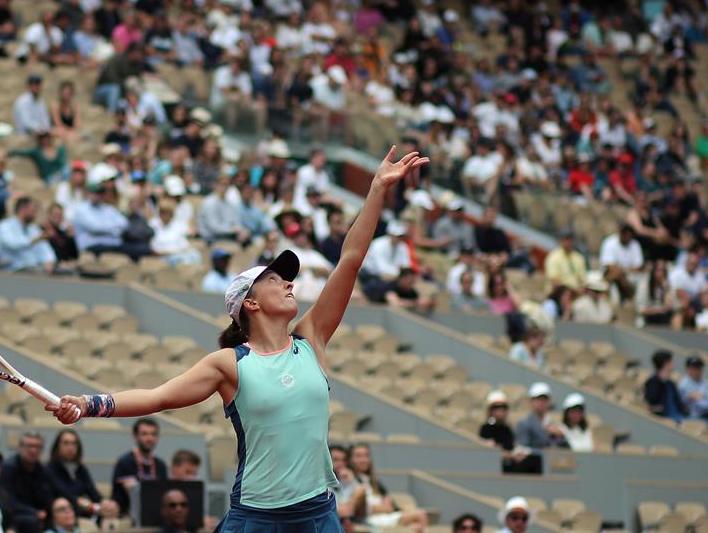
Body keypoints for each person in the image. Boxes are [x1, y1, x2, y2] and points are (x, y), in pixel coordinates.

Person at [49, 146, 429, 533]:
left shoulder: (311, 339)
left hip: (317, 515)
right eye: (274, 279)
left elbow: (350, 258)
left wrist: (378, 188)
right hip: (256, 518)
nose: (288, 283)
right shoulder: (230, 363)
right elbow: (157, 397)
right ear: (249, 303)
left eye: (286, 278)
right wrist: (88, 403)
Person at [349, 444, 428, 532]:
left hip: (383, 516)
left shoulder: (374, 482)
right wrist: (384, 507)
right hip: (370, 520)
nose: (364, 460)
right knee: (420, 515)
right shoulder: (350, 479)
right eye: (359, 456)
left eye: (366, 455)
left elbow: (392, 506)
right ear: (350, 459)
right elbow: (363, 509)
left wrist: (381, 508)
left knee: (417, 526)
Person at [45, 431, 117, 520]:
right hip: (60, 514)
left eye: (74, 444)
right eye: (66, 443)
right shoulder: (50, 469)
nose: (70, 447)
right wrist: (90, 506)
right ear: (57, 447)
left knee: (110, 512)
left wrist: (105, 503)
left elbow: (93, 493)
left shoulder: (80, 469)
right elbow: (66, 495)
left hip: (83, 512)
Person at [110, 419, 167, 516]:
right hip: (126, 516)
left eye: (153, 434)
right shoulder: (125, 462)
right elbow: (133, 495)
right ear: (135, 436)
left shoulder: (161, 465)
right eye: (145, 434)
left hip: (155, 516)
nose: (150, 438)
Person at [0, 432, 53, 533]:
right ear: (20, 447)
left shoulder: (42, 470)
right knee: (30, 522)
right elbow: (7, 501)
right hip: (12, 515)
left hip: (36, 516)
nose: (33, 450)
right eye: (29, 446)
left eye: (37, 447)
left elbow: (46, 498)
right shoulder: (8, 468)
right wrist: (35, 512)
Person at [479, 391, 539, 474]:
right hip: (498, 467)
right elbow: (491, 452)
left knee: (535, 460)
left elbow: (513, 446)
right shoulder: (486, 428)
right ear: (490, 410)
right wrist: (512, 456)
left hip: (511, 464)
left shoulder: (507, 429)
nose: (501, 411)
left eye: (504, 408)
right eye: (497, 408)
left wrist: (520, 453)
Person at [0, 197, 57, 273]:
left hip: (34, 268)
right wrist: (34, 240)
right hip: (13, 268)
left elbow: (45, 249)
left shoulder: (33, 229)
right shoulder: (4, 226)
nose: (35, 214)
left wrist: (49, 261)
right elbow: (12, 244)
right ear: (23, 209)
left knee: (64, 272)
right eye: (33, 211)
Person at [515, 382, 569, 451]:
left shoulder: (554, 425)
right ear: (531, 401)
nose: (542, 402)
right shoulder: (524, 424)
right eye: (538, 399)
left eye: (545, 399)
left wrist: (560, 436)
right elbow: (523, 452)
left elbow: (567, 451)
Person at [643, 350, 686, 422]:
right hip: (665, 419)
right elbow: (651, 401)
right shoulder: (652, 382)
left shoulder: (671, 384)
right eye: (671, 362)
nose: (673, 364)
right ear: (665, 363)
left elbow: (679, 405)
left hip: (679, 417)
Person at [328, 446, 365, 525]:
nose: (341, 464)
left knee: (360, 490)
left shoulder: (350, 479)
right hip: (330, 521)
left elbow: (364, 508)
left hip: (350, 521)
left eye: (343, 460)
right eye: (336, 460)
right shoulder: (322, 482)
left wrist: (351, 482)